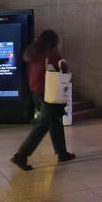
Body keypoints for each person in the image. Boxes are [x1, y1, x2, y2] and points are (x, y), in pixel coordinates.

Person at [11, 30, 75, 171]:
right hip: (49, 93)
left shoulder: (33, 52)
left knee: (55, 122)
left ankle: (62, 153)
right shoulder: (49, 54)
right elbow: (63, 66)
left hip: (37, 92)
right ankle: (21, 155)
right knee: (42, 126)